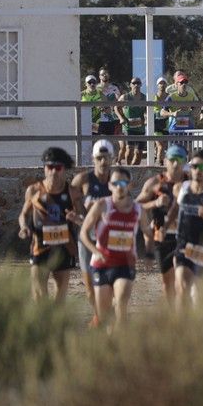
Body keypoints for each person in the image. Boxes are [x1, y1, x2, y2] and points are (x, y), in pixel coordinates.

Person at [79, 166, 148, 329]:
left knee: (121, 304)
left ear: (130, 185)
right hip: (101, 265)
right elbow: (83, 232)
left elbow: (147, 232)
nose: (119, 186)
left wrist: (150, 251)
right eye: (115, 182)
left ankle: (120, 345)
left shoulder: (138, 209)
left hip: (125, 264)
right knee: (103, 315)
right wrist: (96, 251)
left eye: (123, 182)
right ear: (109, 185)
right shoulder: (102, 205)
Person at [18, 146, 80, 302]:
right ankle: (43, 324)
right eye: (50, 167)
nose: (53, 171)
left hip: (64, 247)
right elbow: (23, 214)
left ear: (64, 169)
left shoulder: (72, 192)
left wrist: (76, 218)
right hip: (40, 246)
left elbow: (85, 218)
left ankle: (56, 325)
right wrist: (24, 227)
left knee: (60, 295)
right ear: (44, 168)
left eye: (57, 167)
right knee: (39, 295)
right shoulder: (33, 190)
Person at [167, 149, 203, 311]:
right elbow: (174, 210)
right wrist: (164, 227)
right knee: (182, 288)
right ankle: (179, 330)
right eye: (194, 166)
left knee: (202, 301)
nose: (198, 171)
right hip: (184, 246)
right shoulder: (180, 188)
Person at [136, 144, 189, 306]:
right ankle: (172, 315)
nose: (175, 164)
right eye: (172, 160)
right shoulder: (155, 183)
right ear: (165, 161)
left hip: (185, 236)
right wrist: (155, 203)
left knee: (182, 280)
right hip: (162, 236)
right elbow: (135, 206)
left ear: (185, 161)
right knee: (168, 282)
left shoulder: (191, 182)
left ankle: (183, 316)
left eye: (179, 160)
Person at [71, 139, 116, 326]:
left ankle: (106, 316)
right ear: (93, 159)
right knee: (90, 288)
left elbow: (126, 205)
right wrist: (81, 215)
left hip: (110, 240)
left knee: (110, 284)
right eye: (99, 158)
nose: (103, 162)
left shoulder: (117, 180)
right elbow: (71, 195)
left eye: (106, 158)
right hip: (87, 240)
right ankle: (99, 315)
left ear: (112, 158)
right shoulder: (84, 180)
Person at [162, 70, 201, 146]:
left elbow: (197, 108)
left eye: (185, 82)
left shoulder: (191, 96)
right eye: (181, 82)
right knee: (175, 153)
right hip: (175, 129)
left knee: (188, 151)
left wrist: (195, 112)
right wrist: (172, 113)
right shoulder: (171, 97)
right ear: (176, 84)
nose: (184, 84)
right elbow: (162, 112)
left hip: (188, 128)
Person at [119, 78, 148, 165]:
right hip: (128, 128)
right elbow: (116, 107)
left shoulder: (144, 98)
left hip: (140, 128)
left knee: (139, 153)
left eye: (138, 83)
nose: (136, 85)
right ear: (130, 85)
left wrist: (146, 118)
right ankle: (128, 168)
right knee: (129, 150)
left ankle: (134, 170)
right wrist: (121, 117)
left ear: (141, 85)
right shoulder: (125, 97)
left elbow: (147, 110)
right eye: (134, 83)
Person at [95, 66, 121, 142]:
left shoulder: (114, 88)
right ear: (99, 76)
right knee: (99, 143)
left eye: (106, 73)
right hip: (98, 120)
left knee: (110, 142)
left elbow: (119, 102)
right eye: (102, 74)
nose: (105, 75)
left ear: (109, 75)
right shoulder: (96, 88)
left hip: (111, 120)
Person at [151, 76, 169, 164]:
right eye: (160, 83)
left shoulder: (169, 97)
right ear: (157, 85)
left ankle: (159, 160)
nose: (162, 85)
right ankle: (159, 164)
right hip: (155, 124)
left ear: (166, 85)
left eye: (164, 83)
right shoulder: (153, 97)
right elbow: (147, 109)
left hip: (166, 125)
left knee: (163, 147)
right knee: (160, 146)